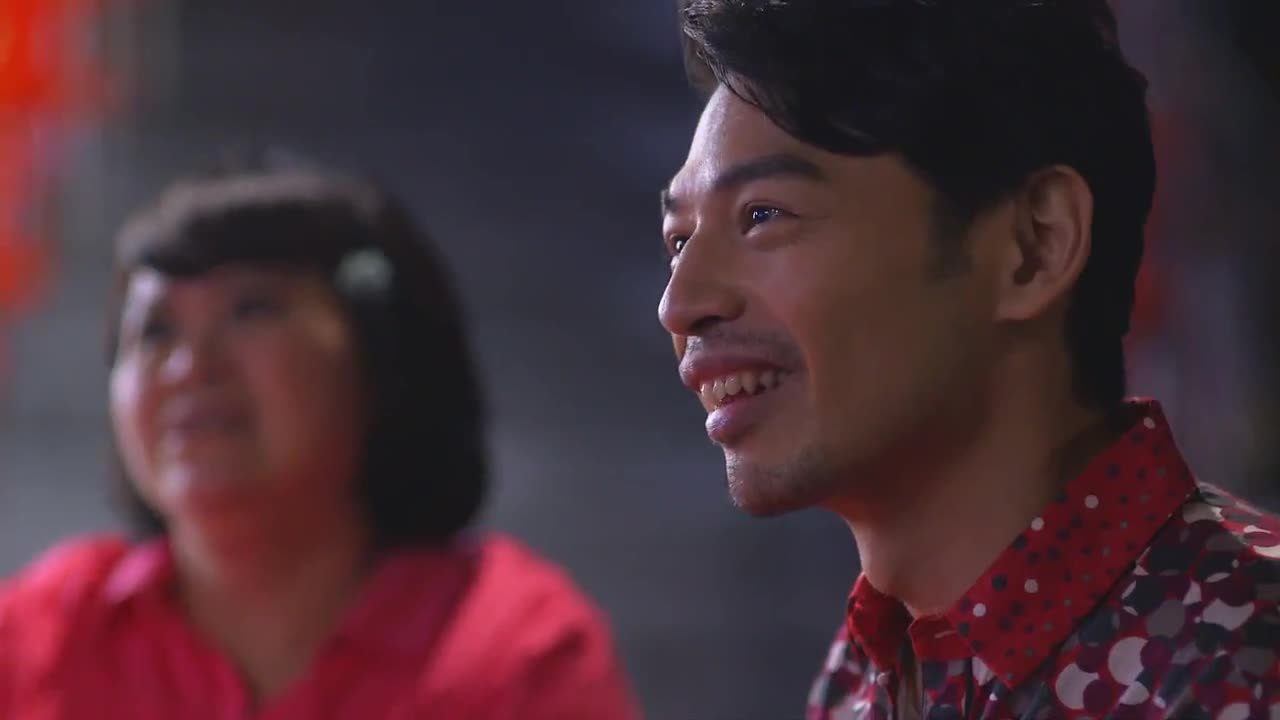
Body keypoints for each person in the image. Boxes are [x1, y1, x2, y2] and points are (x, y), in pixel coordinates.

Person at [658, 1, 1280, 718]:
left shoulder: (1244, 663)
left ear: (1034, 245)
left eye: (764, 215)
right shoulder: (866, 675)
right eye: (679, 240)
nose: (680, 304)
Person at [0, 156, 639, 719]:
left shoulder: (516, 654)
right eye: (154, 331)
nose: (190, 367)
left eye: (251, 311)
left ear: (381, 358)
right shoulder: (37, 640)